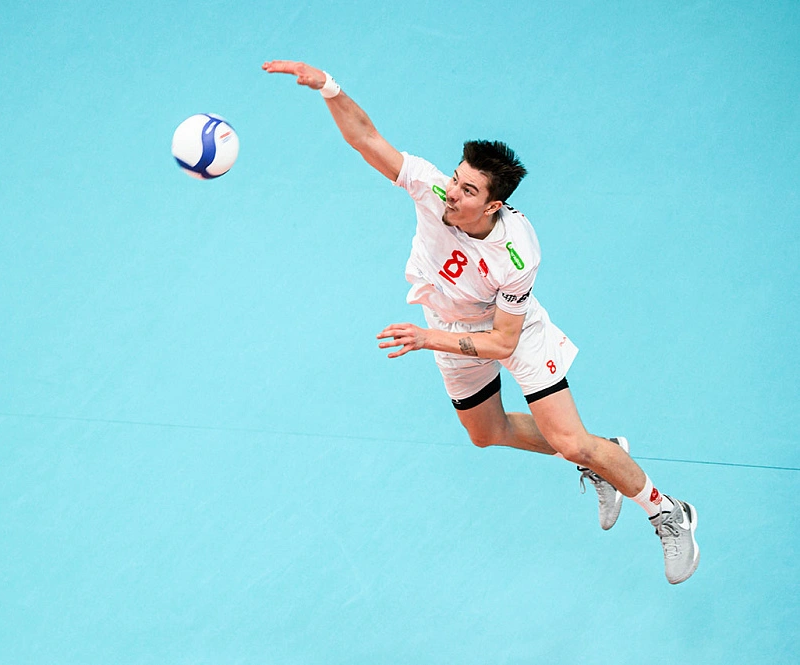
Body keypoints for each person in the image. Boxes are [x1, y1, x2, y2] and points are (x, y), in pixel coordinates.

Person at [262, 60, 700, 584]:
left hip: (511, 332)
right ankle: (604, 454)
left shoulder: (516, 255)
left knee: (571, 441)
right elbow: (366, 139)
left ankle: (667, 511)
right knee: (486, 432)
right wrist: (328, 87)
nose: (453, 192)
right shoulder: (432, 190)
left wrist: (427, 338)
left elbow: (501, 343)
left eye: (468, 191)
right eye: (456, 179)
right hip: (448, 322)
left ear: (493, 205)